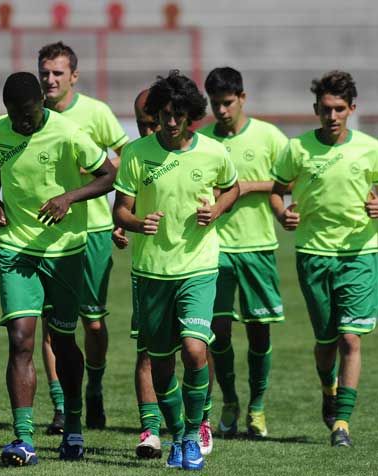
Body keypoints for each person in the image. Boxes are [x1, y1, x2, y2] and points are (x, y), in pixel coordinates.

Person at [0, 72, 116, 465]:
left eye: (26, 113)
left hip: (64, 251)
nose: (20, 122)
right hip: (15, 248)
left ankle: (73, 428)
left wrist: (69, 197)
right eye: (13, 115)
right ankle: (23, 439)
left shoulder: (69, 133)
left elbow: (110, 175)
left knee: (62, 341)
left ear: (41, 101)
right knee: (21, 339)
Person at [113, 70, 239, 470]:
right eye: (164, 114)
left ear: (191, 116)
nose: (170, 122)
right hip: (151, 272)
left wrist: (218, 208)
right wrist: (137, 223)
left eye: (178, 115)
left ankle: (192, 431)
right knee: (162, 362)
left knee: (195, 348)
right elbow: (121, 210)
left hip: (198, 267)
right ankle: (178, 433)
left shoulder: (213, 153)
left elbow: (233, 187)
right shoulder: (137, 154)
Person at [270, 71, 378, 448]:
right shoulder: (296, 149)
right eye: (325, 109)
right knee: (327, 339)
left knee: (351, 337)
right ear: (315, 108)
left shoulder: (369, 147)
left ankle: (342, 423)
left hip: (360, 253)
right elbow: (277, 191)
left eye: (339, 109)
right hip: (313, 254)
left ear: (352, 109)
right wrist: (283, 214)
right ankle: (327, 386)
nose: (331, 116)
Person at [37, 41, 129, 432]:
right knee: (51, 323)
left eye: (58, 73)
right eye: (45, 72)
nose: (50, 79)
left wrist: (99, 181)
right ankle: (61, 405)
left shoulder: (96, 112)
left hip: (91, 230)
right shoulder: (32, 116)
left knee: (92, 322)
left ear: (74, 76)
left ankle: (94, 386)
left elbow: (128, 155)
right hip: (45, 233)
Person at [198, 67, 288, 439]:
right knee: (218, 332)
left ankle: (258, 407)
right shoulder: (201, 141)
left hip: (258, 246)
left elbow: (291, 177)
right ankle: (231, 401)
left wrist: (247, 186)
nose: (221, 110)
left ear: (243, 99)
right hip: (214, 249)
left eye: (228, 103)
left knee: (259, 332)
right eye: (215, 104)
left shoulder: (269, 136)